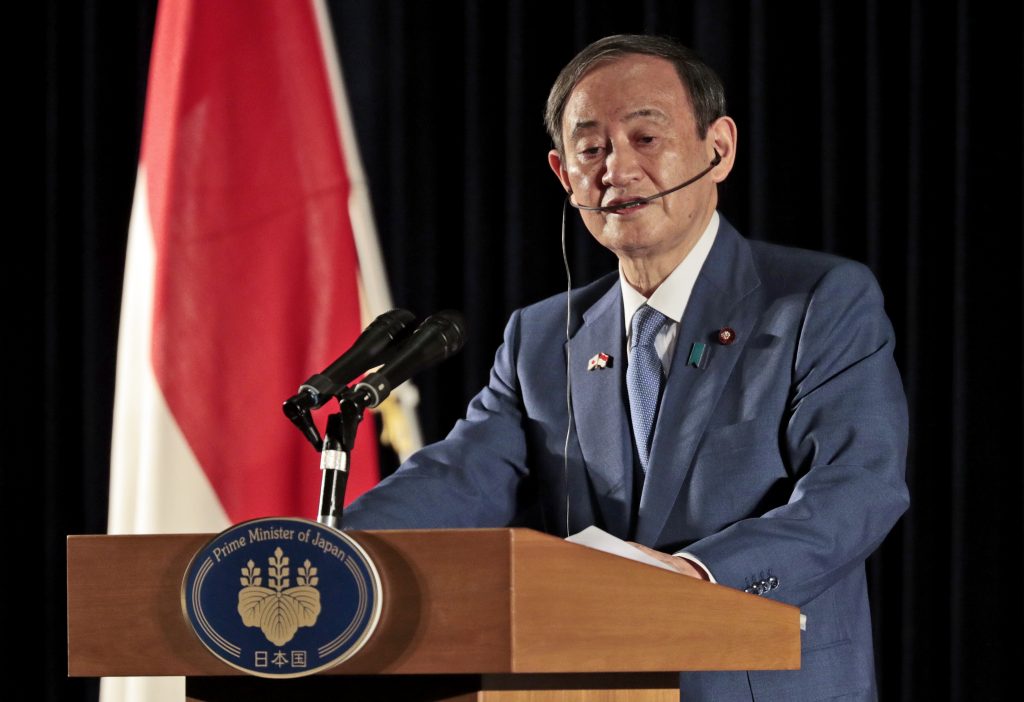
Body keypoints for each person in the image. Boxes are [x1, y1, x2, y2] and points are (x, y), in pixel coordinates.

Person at [344, 34, 909, 700]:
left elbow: (857, 491)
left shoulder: (820, 299)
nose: (617, 168)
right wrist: (331, 550)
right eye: (591, 149)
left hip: (762, 680)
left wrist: (695, 577)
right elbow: (459, 477)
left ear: (718, 148)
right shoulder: (542, 335)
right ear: (563, 174)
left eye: (646, 138)